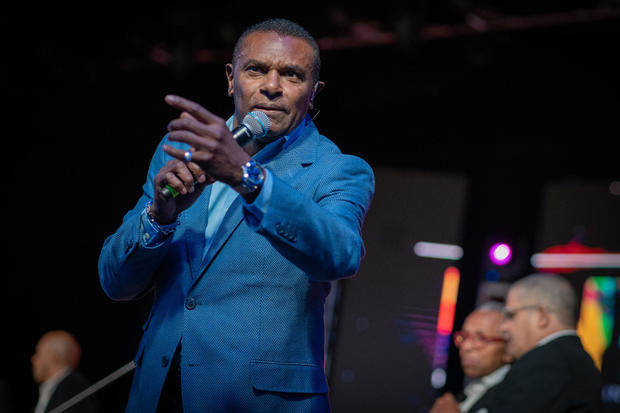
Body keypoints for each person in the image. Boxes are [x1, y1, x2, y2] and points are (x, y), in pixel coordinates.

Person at [98, 18, 374, 413]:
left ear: (313, 92)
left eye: (292, 75)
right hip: (157, 394)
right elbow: (114, 283)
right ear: (231, 78)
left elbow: (341, 254)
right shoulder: (179, 149)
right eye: (256, 69)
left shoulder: (338, 169)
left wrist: (250, 179)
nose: (272, 86)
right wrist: (158, 218)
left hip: (260, 402)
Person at [482, 273, 602, 412]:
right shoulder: (575, 358)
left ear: (542, 316)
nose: (503, 327)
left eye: (511, 315)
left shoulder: (544, 363)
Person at [430, 302, 511, 413]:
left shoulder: (514, 394)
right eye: (464, 336)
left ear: (508, 346)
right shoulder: (474, 387)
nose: (465, 347)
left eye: (480, 338)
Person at [31, 330, 101, 413]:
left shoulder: (73, 389)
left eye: (38, 353)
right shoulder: (55, 388)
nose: (33, 359)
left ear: (52, 355)